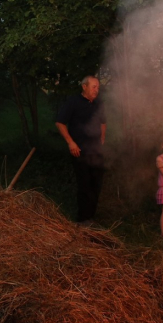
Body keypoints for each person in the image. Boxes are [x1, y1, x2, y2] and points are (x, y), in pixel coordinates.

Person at [55, 76, 106, 226]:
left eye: (98, 87)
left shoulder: (98, 103)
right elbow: (60, 123)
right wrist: (71, 143)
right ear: (84, 87)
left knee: (96, 183)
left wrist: (102, 138)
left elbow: (103, 122)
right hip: (80, 151)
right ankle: (83, 219)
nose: (97, 90)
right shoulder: (73, 102)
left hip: (96, 151)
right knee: (84, 184)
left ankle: (91, 217)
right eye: (94, 87)